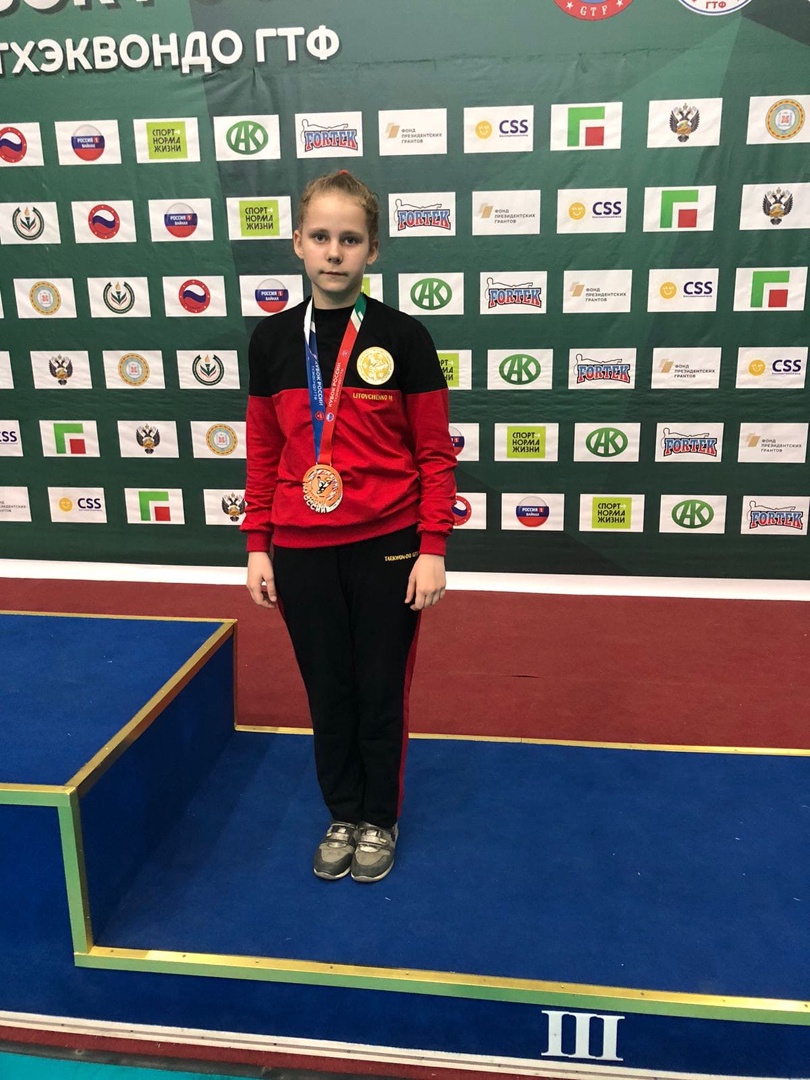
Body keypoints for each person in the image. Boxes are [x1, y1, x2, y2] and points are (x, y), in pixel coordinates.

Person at [243, 170, 456, 884]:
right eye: (321, 237)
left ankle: (380, 817)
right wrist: (257, 544)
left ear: (373, 250)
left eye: (350, 239)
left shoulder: (404, 337)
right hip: (301, 551)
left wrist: (432, 547)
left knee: (378, 690)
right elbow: (263, 452)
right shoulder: (273, 340)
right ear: (297, 243)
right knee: (327, 691)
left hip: (387, 546)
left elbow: (434, 454)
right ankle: (343, 811)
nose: (334, 252)